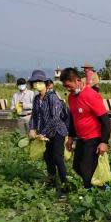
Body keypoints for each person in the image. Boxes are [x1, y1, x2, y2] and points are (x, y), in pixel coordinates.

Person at [60, 67, 111, 189]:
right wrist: (71, 137)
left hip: (94, 138)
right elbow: (73, 118)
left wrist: (104, 142)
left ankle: (100, 192)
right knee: (77, 167)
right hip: (81, 138)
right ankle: (97, 189)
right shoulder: (71, 97)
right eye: (65, 86)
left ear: (77, 80)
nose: (67, 89)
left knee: (86, 169)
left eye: (69, 85)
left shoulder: (91, 95)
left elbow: (105, 121)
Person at [27, 70, 70, 199]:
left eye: (39, 82)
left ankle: (65, 186)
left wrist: (43, 132)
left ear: (46, 84)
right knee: (48, 158)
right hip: (45, 134)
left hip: (57, 132)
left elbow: (55, 118)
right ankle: (52, 182)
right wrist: (32, 128)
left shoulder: (52, 97)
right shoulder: (36, 99)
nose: (37, 85)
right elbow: (34, 115)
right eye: (35, 83)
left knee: (57, 158)